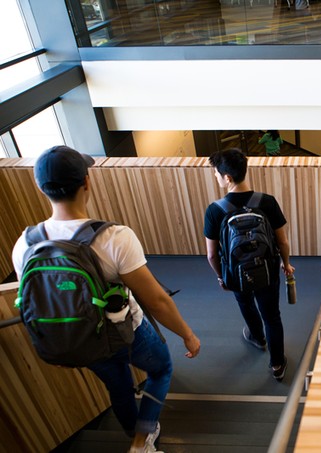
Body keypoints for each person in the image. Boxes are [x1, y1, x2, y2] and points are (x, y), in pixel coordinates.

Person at [12, 146, 201, 453]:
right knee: (161, 370)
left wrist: (57, 343)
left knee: (119, 386)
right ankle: (142, 439)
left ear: (40, 187)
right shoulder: (114, 238)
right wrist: (188, 336)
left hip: (83, 338)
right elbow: (156, 301)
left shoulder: (25, 243)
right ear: (87, 182)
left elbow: (36, 301)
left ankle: (134, 435)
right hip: (129, 333)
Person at [204, 148, 295, 380]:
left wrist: (221, 276)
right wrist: (286, 264)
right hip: (267, 268)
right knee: (272, 316)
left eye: (217, 174)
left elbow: (212, 255)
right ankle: (277, 365)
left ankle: (257, 337)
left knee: (245, 302)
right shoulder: (267, 202)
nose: (216, 177)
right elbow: (282, 241)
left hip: (235, 272)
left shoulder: (215, 211)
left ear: (228, 178)